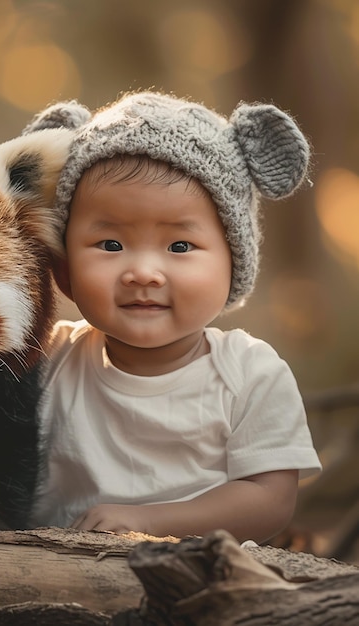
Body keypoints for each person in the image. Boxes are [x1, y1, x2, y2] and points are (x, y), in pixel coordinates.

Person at [23, 92, 322, 544]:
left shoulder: (250, 373)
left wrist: (150, 521)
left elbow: (271, 499)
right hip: (44, 576)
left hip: (198, 583)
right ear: (64, 268)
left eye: (179, 247)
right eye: (110, 245)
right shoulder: (49, 358)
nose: (143, 271)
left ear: (233, 263)